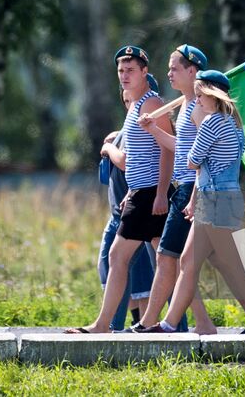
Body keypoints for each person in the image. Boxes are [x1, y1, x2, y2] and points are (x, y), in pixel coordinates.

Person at [146, 69, 245, 335]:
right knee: (188, 262)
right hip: (216, 197)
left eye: (199, 96)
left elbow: (191, 161)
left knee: (235, 266)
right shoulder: (232, 123)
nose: (196, 101)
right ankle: (169, 324)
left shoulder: (211, 122)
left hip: (217, 200)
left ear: (212, 94)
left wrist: (196, 123)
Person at [67, 45, 173, 334]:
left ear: (144, 72)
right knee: (169, 261)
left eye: (130, 70)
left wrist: (162, 192)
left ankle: (108, 324)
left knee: (119, 257)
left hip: (151, 194)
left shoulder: (152, 104)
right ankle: (172, 322)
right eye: (120, 71)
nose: (124, 75)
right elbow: (140, 154)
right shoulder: (135, 105)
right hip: (140, 192)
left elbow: (168, 150)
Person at [132, 45, 213, 332]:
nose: (168, 74)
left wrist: (154, 131)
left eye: (174, 68)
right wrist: (155, 130)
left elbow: (196, 155)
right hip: (188, 187)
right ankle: (204, 323)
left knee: (167, 255)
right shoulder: (188, 105)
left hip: (191, 188)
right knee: (183, 261)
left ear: (193, 71)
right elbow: (185, 150)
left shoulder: (199, 108)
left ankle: (148, 322)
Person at [97, 106, 157, 330]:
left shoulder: (145, 125)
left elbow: (127, 161)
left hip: (136, 209)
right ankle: (125, 323)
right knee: (113, 264)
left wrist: (109, 147)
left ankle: (129, 324)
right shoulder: (127, 129)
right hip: (121, 210)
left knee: (155, 268)